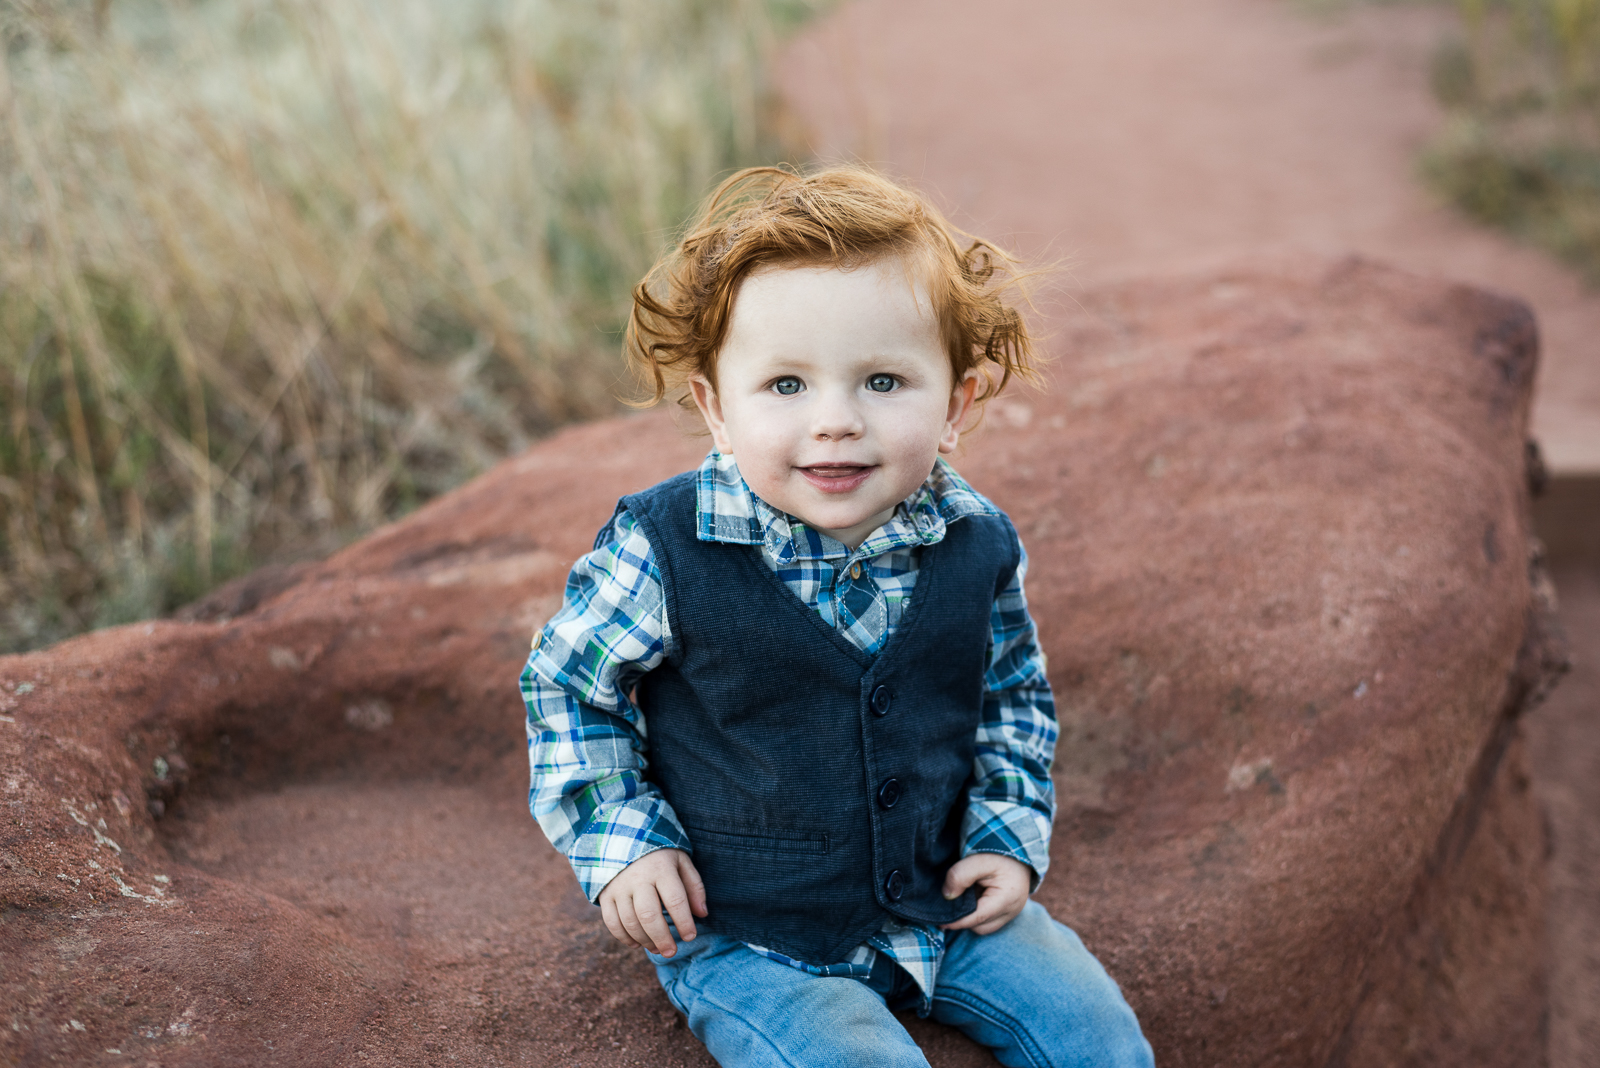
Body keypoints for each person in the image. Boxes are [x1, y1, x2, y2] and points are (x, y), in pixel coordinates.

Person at [521, 165, 1153, 1068]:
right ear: (715, 408)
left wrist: (1003, 839)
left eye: (884, 382)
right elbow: (568, 689)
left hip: (946, 907)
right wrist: (624, 844)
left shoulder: (975, 541)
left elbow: (1010, 699)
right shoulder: (663, 547)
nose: (835, 423)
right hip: (750, 932)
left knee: (1095, 1035)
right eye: (785, 386)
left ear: (957, 404)